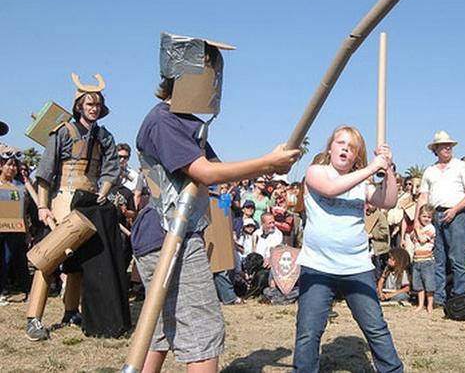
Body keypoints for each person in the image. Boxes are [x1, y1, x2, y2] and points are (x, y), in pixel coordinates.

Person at [130, 33, 299, 373]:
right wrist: (267, 162)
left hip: (174, 232)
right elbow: (205, 173)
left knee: (158, 328)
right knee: (202, 330)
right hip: (168, 233)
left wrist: (274, 160)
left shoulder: (187, 123)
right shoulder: (164, 120)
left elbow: (222, 174)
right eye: (208, 69)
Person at [293, 125, 403, 373]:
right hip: (317, 266)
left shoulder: (362, 183)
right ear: (330, 147)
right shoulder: (315, 172)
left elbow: (389, 201)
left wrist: (389, 169)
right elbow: (331, 189)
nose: (344, 148)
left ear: (356, 155)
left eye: (351, 146)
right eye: (340, 142)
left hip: (357, 267)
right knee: (308, 331)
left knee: (375, 327)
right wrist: (372, 168)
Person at [27, 73, 123, 341]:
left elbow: (111, 169)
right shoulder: (62, 132)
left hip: (89, 204)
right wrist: (43, 207)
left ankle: (71, 311)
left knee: (79, 262)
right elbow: (45, 172)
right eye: (89, 104)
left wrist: (103, 192)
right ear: (79, 105)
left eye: (97, 105)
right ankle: (34, 318)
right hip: (61, 202)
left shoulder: (105, 136)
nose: (93, 109)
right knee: (48, 259)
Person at [415, 130, 465, 307]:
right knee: (438, 259)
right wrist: (418, 223)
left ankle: (459, 298)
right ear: (436, 149)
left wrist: (455, 210)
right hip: (435, 216)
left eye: (449, 145)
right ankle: (439, 298)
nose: (448, 147)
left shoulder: (461, 166)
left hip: (456, 215)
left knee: (457, 259)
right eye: (444, 145)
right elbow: (423, 197)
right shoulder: (430, 171)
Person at [0, 149, 30, 305]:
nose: (11, 168)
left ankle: (2, 290)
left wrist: (27, 232)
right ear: (1, 166)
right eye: (8, 165)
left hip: (13, 230)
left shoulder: (20, 186)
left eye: (14, 166)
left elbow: (22, 211)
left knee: (6, 259)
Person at [412, 203, 436, 313]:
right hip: (417, 259)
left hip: (427, 260)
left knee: (429, 285)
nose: (426, 219)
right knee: (419, 285)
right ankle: (421, 304)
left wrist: (417, 230)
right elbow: (413, 238)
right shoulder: (420, 229)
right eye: (424, 216)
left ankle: (429, 305)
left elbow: (422, 240)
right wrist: (416, 231)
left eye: (429, 217)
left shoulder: (430, 229)